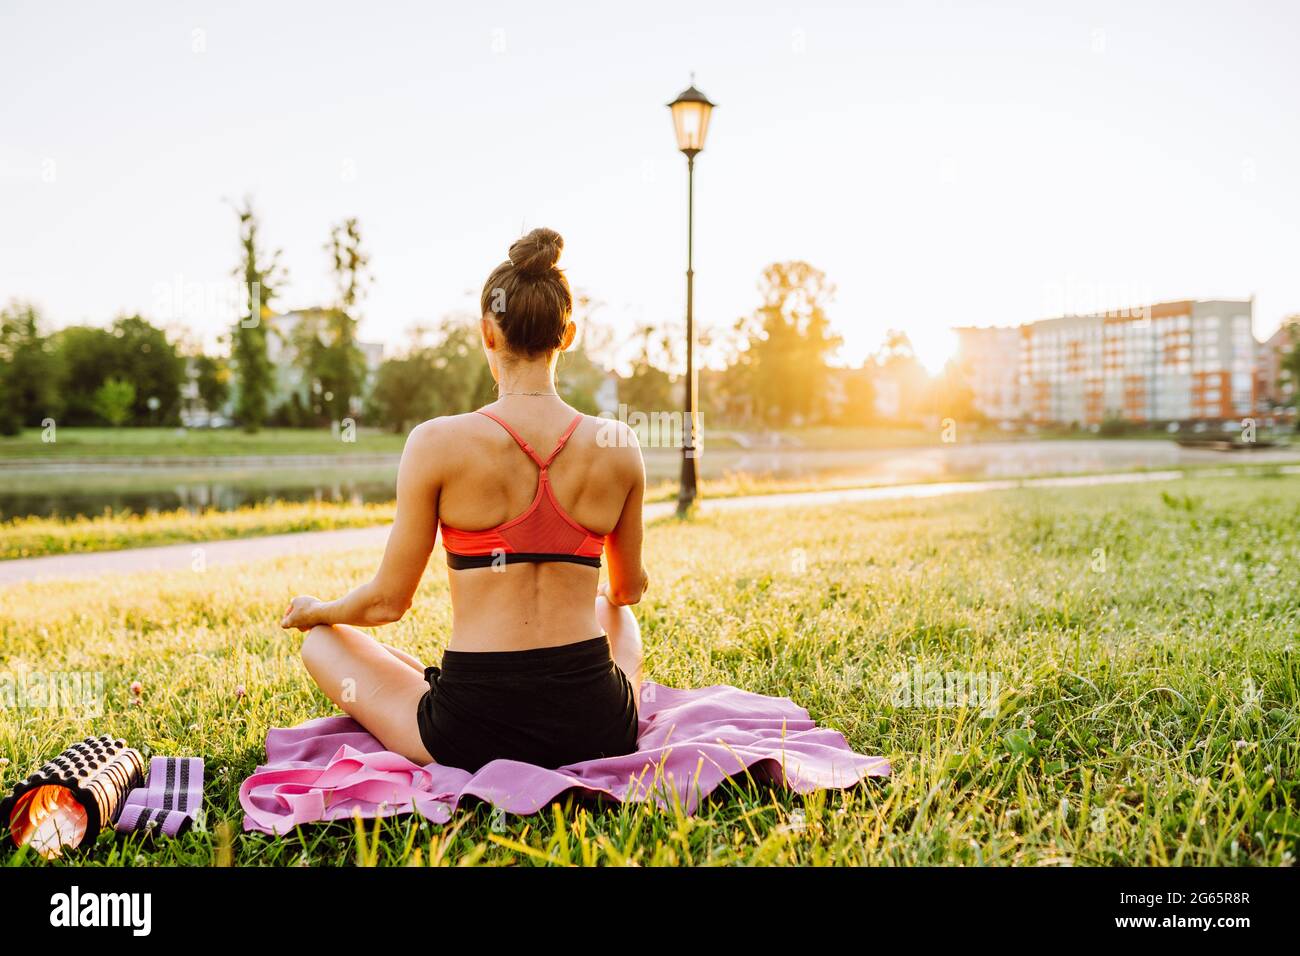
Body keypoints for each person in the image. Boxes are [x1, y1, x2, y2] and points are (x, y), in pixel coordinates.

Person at [280, 227, 648, 772]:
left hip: (471, 727)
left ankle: (423, 681)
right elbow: (627, 591)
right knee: (612, 613)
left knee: (321, 644)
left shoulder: (435, 442)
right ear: (567, 335)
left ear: (487, 333)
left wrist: (319, 611)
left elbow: (387, 604)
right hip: (597, 726)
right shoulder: (619, 444)